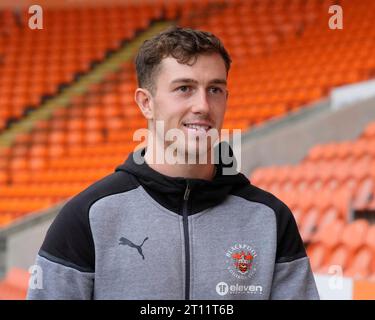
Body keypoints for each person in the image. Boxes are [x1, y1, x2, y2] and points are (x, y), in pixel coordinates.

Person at [27, 27, 319, 300]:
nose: (203, 106)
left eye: (215, 89)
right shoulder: (88, 217)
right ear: (146, 103)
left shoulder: (269, 219)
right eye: (184, 88)